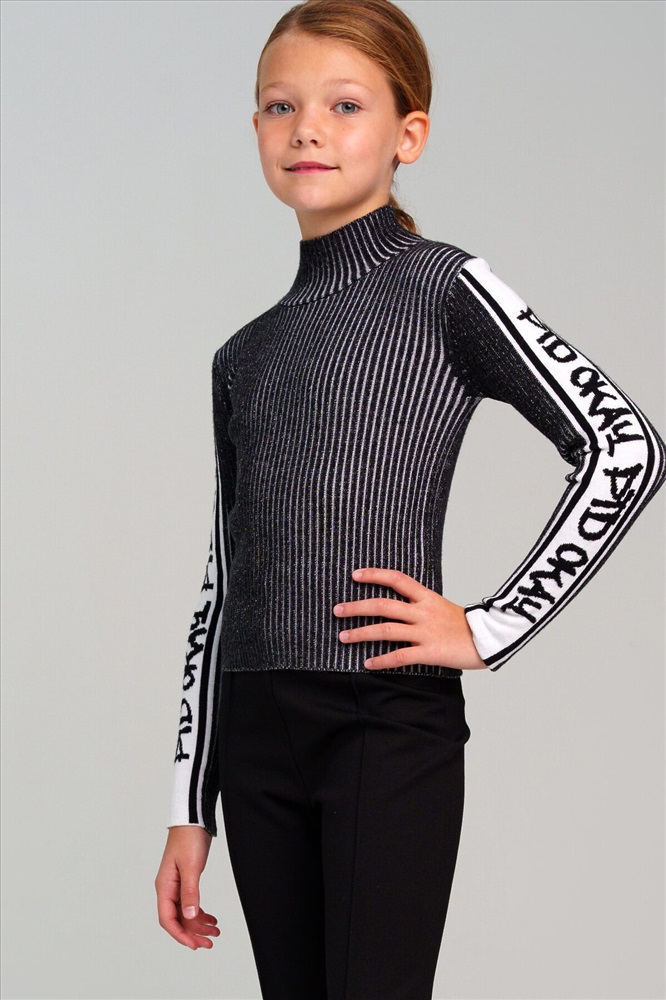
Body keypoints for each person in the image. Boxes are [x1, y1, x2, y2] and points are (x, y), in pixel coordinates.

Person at [154, 1, 666, 997]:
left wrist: (489, 624)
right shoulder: (241, 356)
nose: (307, 128)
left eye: (345, 105)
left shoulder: (443, 287)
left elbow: (624, 445)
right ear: (255, 128)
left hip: (381, 721)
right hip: (255, 738)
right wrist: (188, 803)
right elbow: (223, 584)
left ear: (409, 134)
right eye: (281, 106)